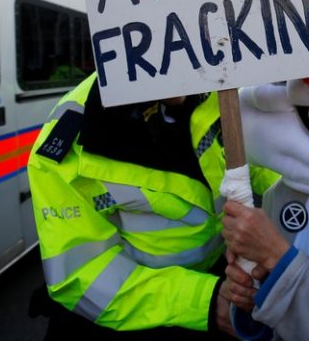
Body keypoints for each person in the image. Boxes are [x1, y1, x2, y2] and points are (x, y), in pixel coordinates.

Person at [27, 72, 278, 339]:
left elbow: (258, 159)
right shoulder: (69, 142)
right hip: (134, 314)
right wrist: (208, 301)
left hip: (224, 281)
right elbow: (82, 274)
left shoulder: (215, 82)